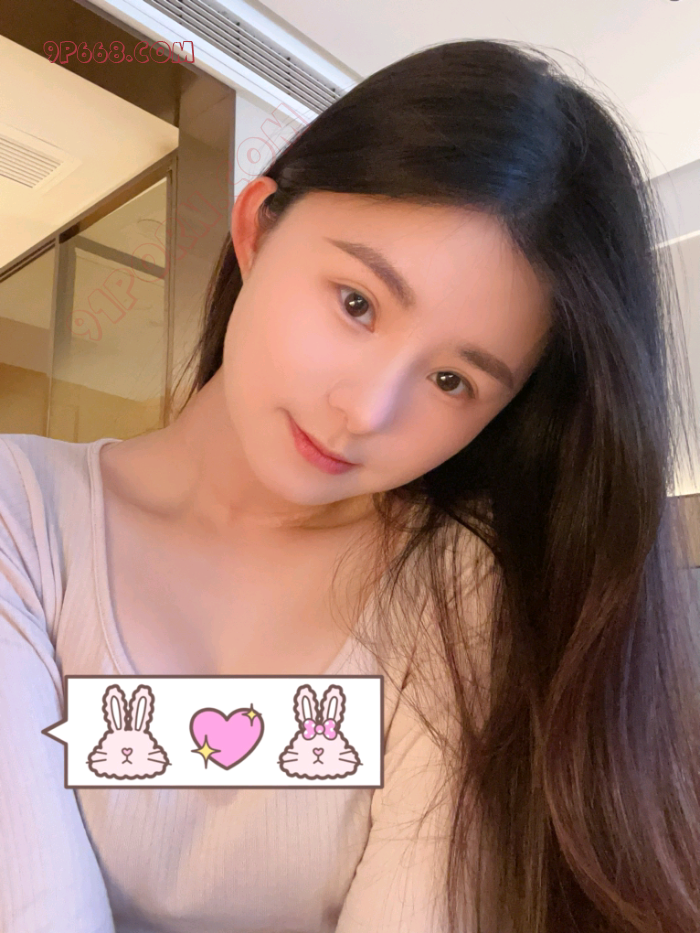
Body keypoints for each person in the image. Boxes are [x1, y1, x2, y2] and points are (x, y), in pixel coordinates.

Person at [1, 37, 700, 933]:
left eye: (452, 380)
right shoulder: (22, 513)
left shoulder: (458, 591)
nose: (365, 410)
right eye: (357, 302)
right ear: (256, 229)